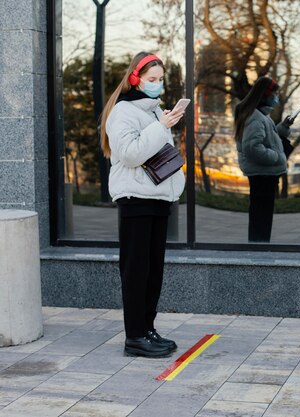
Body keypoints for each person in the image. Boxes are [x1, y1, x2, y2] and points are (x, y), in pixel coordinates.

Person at [100, 52, 185, 358]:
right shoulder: (123, 112)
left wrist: (162, 123)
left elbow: (157, 153)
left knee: (153, 271)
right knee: (136, 271)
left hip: (158, 199)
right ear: (135, 78)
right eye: (152, 79)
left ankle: (147, 329)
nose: (158, 85)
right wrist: (161, 126)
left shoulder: (153, 111)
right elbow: (131, 154)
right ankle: (134, 336)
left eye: (161, 79)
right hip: (135, 200)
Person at [235, 77, 292, 242]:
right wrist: (276, 157)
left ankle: (259, 248)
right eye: (274, 94)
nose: (276, 97)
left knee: (262, 217)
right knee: (261, 218)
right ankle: (258, 249)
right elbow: (253, 148)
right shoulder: (255, 117)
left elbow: (268, 138)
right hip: (262, 175)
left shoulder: (260, 116)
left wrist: (284, 127)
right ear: (264, 95)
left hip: (264, 174)